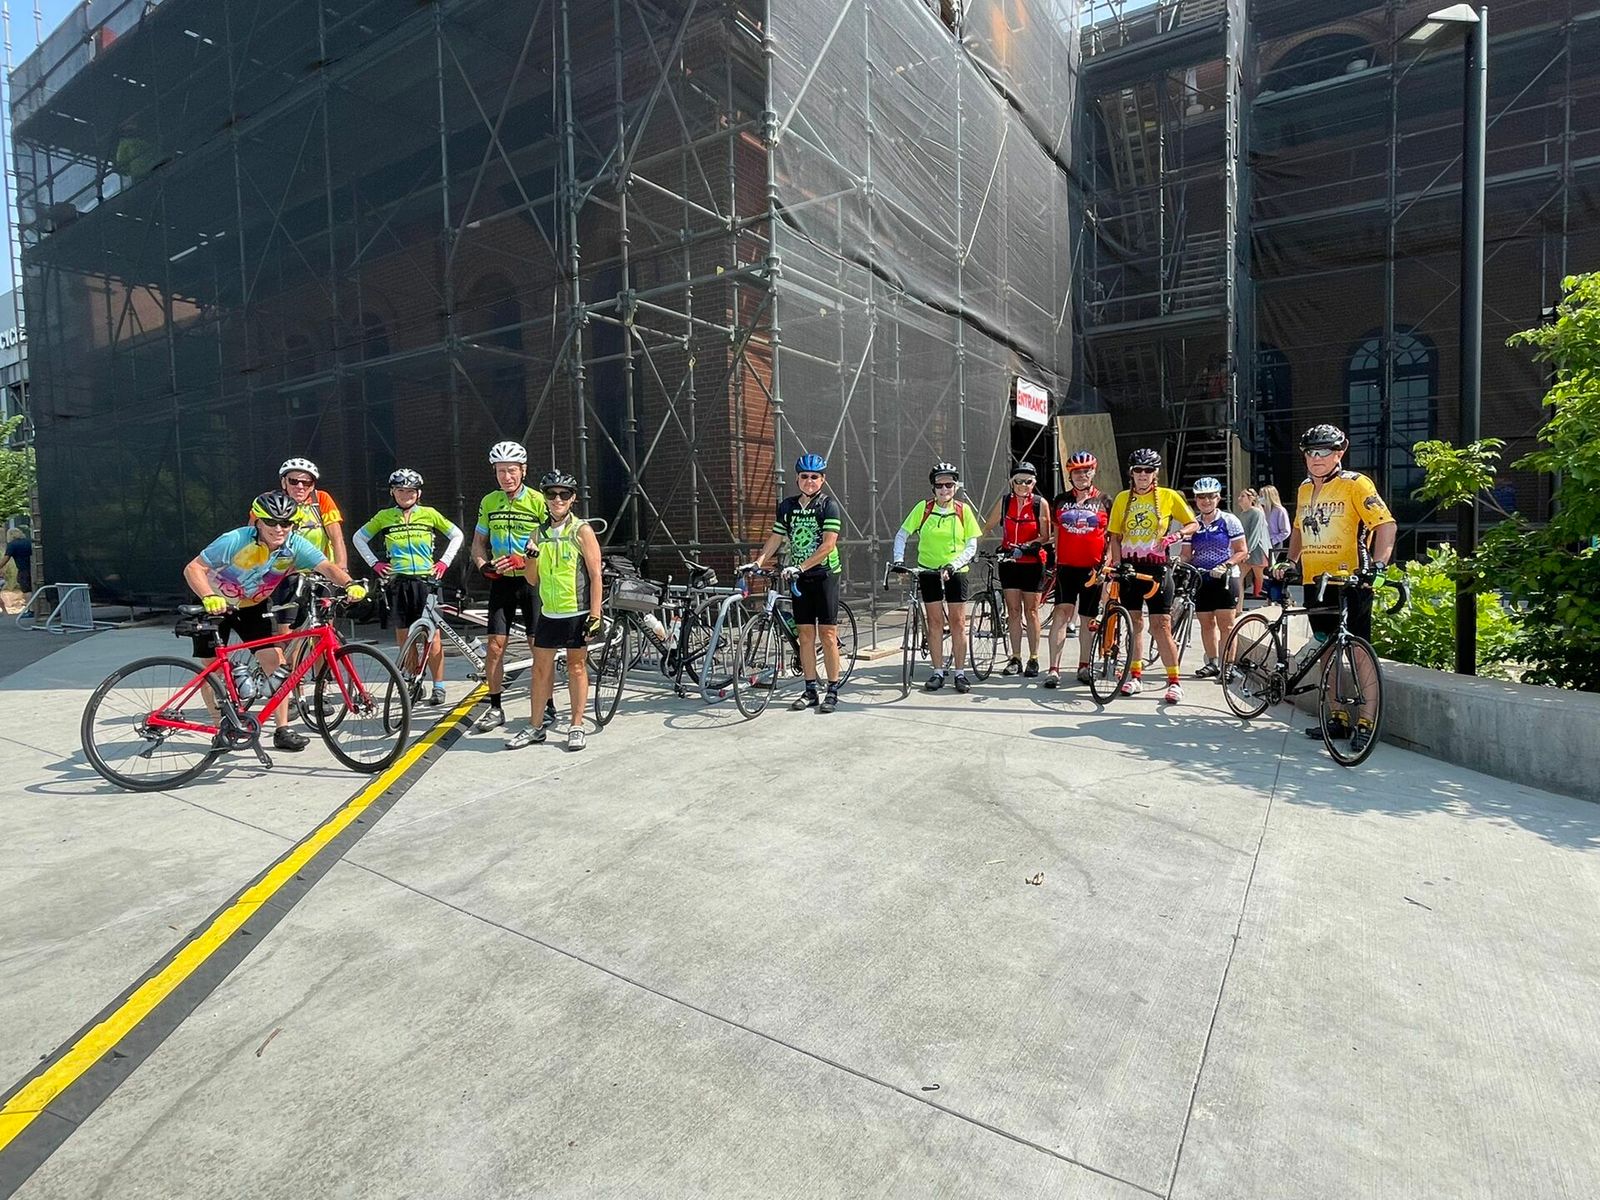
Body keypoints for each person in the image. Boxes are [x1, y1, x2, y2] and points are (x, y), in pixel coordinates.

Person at [182, 490, 366, 751]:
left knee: (276, 663)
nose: (279, 529)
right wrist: (208, 596)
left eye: (286, 523)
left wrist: (349, 583)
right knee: (211, 670)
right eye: (271, 522)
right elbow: (193, 568)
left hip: (252, 606)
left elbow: (326, 566)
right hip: (213, 603)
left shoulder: (295, 545)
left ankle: (283, 730)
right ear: (258, 521)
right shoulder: (235, 539)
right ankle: (219, 730)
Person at [1273, 423, 1397, 754]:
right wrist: (1291, 561)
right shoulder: (1304, 488)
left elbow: (1385, 524)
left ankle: (1366, 721)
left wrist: (1379, 565)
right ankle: (1337, 717)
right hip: (1316, 581)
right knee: (1326, 648)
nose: (1317, 458)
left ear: (1340, 453)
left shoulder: (1355, 484)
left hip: (1351, 580)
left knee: (1359, 652)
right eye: (1311, 452)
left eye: (1325, 451)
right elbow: (1298, 529)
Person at [508, 471, 604, 751]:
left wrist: (595, 615)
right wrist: (530, 558)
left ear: (573, 499)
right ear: (545, 498)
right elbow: (531, 580)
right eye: (551, 494)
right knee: (540, 670)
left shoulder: (581, 531)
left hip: (576, 611)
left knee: (576, 667)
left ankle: (576, 725)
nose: (557, 499)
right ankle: (535, 726)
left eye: (564, 494)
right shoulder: (537, 533)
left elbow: (596, 575)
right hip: (549, 613)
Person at [353, 469, 463, 707]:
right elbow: (358, 538)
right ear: (393, 492)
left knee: (433, 636)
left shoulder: (429, 514)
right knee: (405, 636)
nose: (405, 495)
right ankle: (413, 681)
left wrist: (444, 562)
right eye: (400, 490)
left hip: (426, 582)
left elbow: (457, 535)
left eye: (411, 491)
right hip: (398, 582)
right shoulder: (384, 516)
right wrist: (375, 563)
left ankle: (439, 686)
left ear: (418, 493)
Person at [745, 452, 846, 713]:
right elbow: (775, 538)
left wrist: (800, 567)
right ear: (797, 479)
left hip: (824, 575)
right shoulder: (787, 507)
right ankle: (810, 690)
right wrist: (758, 562)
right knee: (805, 635)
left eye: (814, 477)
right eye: (804, 476)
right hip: (799, 577)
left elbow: (828, 545)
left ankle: (832, 690)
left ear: (822, 479)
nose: (809, 481)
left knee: (827, 634)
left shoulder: (828, 506)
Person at [467, 441, 552, 733]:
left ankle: (548, 705)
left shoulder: (539, 501)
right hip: (501, 582)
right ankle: (495, 707)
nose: (507, 477)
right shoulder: (489, 501)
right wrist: (483, 566)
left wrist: (526, 558)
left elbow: (552, 542)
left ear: (523, 471)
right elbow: (478, 543)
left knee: (537, 647)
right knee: (494, 646)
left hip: (532, 580)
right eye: (501, 471)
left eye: (512, 470)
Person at [1102, 448, 1198, 703]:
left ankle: (1174, 682)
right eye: (1138, 470)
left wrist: (1176, 536)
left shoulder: (1168, 496)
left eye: (1148, 470)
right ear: (1131, 473)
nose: (1143, 474)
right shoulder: (1123, 498)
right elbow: (1115, 536)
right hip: (1130, 568)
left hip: (1157, 569)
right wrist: (1118, 565)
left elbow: (1193, 523)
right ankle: (1135, 676)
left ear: (1155, 473)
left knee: (1161, 626)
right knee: (1134, 624)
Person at [893, 461, 983, 693]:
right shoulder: (923, 508)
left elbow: (971, 545)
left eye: (949, 485)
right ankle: (937, 671)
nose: (944, 490)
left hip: (956, 571)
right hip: (928, 571)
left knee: (958, 623)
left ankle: (960, 673)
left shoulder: (963, 510)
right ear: (933, 488)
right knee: (934, 623)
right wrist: (898, 560)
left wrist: (954, 565)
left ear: (955, 487)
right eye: (939, 485)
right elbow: (902, 534)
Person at [264, 458, 348, 706]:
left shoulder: (322, 500)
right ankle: (292, 690)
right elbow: (255, 537)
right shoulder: (272, 502)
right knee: (288, 635)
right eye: (294, 481)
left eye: (307, 482)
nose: (300, 486)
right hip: (286, 576)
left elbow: (336, 538)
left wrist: (341, 570)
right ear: (284, 482)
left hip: (320, 575)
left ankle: (321, 688)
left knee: (322, 634)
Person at [1044, 450, 1110, 687]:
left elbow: (1112, 536)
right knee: (1061, 615)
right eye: (1077, 472)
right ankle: (1054, 669)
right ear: (1070, 475)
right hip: (1066, 567)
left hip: (1093, 569)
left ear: (1093, 472)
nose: (1082, 475)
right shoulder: (1060, 500)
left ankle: (1084, 665)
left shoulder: (1105, 500)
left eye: (1086, 471)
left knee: (1087, 619)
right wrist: (1054, 561)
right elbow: (1056, 532)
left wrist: (1107, 564)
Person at [981, 460, 1052, 677]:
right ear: (1012, 482)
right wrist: (969, 547)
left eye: (1028, 481)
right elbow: (986, 527)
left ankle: (1034, 658)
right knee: (1013, 611)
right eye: (1019, 481)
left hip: (1032, 563)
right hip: (1009, 563)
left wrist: (1028, 545)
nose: (1023, 485)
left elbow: (1046, 536)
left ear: (1034, 483)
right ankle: (1015, 657)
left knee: (1031, 611)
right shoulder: (1004, 502)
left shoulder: (1040, 503)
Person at [1185, 478, 1247, 678]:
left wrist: (1226, 565)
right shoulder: (1193, 524)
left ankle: (1228, 665)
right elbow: (1187, 554)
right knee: (1206, 623)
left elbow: (1242, 551)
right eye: (1201, 497)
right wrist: (1177, 561)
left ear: (1218, 498)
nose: (1206, 501)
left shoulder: (1229, 520)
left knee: (1226, 625)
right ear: (1196, 499)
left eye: (1211, 496)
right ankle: (1212, 663)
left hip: (1225, 578)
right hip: (1202, 578)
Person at [1235, 488, 1271, 601]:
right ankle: (1239, 607)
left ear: (1251, 499)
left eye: (1243, 496)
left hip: (1257, 550)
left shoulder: (1257, 512)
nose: (1239, 498)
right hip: (1246, 550)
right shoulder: (1242, 514)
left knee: (1260, 577)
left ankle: (1277, 597)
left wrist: (1248, 550)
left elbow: (1255, 533)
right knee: (1239, 578)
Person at [1259, 484, 1292, 602]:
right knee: (1264, 570)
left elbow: (1286, 531)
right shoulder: (1261, 510)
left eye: (1263, 495)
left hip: (1274, 544)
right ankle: (1270, 597)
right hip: (1263, 543)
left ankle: (1283, 597)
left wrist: (1273, 540)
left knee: (1272, 570)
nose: (1260, 498)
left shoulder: (1279, 510)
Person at [1, 526, 32, 601]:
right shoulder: (28, 542)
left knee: (26, 589)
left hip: (23, 569)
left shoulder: (12, 545)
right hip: (33, 568)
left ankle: (31, 606)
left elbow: (5, 559)